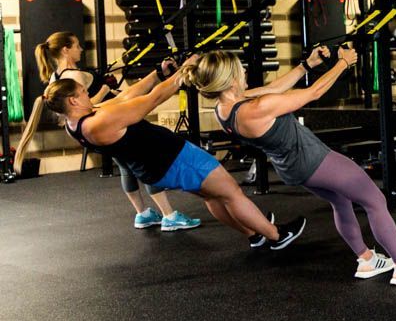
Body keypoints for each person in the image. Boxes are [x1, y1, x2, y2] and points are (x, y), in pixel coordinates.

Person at [182, 46, 396, 285]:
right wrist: (343, 63)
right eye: (240, 69)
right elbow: (313, 93)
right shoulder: (256, 108)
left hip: (292, 167)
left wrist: (307, 65)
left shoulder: (224, 107)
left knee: (340, 201)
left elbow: (275, 87)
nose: (244, 71)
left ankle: (367, 261)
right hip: (314, 159)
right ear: (231, 79)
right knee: (375, 200)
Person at [43, 58, 305, 251]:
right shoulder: (98, 123)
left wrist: (157, 73)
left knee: (211, 196)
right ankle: (276, 235)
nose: (88, 95)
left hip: (157, 167)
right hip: (175, 159)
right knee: (231, 193)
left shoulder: (74, 124)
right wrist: (182, 72)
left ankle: (253, 233)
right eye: (82, 93)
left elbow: (126, 96)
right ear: (73, 101)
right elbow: (152, 100)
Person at [17, 31, 201, 231]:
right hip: (110, 125)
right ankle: (169, 215)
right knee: (144, 164)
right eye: (76, 45)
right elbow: (89, 107)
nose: (80, 49)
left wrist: (156, 74)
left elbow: (84, 107)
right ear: (65, 50)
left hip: (100, 130)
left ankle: (143, 214)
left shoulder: (56, 78)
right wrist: (104, 91)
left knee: (128, 168)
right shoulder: (75, 79)